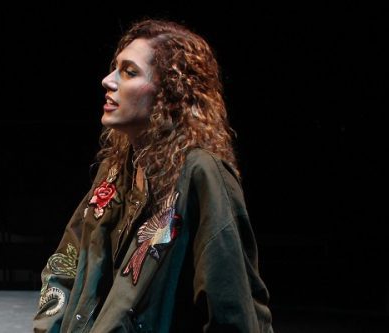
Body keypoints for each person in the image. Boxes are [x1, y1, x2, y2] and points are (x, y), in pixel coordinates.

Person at [33, 20, 274, 332]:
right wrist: (48, 327)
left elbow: (230, 306)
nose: (108, 81)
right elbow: (65, 262)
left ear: (169, 93)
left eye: (129, 72)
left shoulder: (201, 174)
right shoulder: (116, 170)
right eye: (114, 68)